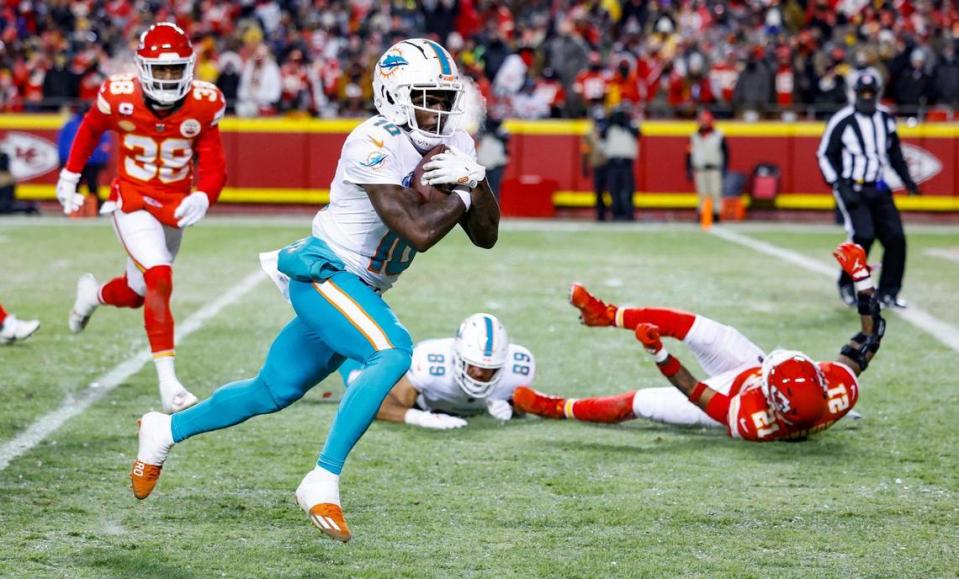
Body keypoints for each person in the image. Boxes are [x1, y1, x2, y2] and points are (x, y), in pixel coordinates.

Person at [129, 38, 500, 543]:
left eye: (442, 97)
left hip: (362, 286)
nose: (437, 108)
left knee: (271, 391)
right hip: (323, 271)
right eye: (426, 96)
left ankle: (164, 430)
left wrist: (478, 182)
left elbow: (486, 236)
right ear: (392, 93)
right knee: (392, 353)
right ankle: (322, 478)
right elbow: (418, 231)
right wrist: (464, 192)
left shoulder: (458, 144)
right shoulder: (372, 140)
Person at [515, 241, 883, 442]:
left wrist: (659, 353)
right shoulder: (839, 389)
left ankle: (554, 406)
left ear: (772, 402)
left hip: (724, 398)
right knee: (701, 328)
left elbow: (693, 391)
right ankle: (605, 314)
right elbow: (868, 338)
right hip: (749, 372)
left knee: (638, 403)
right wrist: (862, 279)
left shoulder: (750, 421)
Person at [56, 23, 227, 413]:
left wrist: (204, 194)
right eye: (160, 69)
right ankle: (169, 384)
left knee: (137, 293)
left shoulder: (203, 103)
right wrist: (69, 174)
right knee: (159, 277)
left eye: (174, 69)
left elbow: (216, 166)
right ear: (142, 67)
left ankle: (94, 294)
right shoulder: (119, 95)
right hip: (132, 199)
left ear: (189, 67)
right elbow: (89, 129)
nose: (167, 78)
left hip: (174, 205)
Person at [817, 72, 917, 309]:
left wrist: (907, 180)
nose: (867, 97)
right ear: (855, 94)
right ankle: (846, 284)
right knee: (862, 236)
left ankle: (889, 293)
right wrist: (839, 184)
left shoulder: (885, 118)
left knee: (896, 239)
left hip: (879, 187)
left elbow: (894, 153)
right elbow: (824, 155)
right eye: (863, 93)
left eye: (871, 93)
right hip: (853, 187)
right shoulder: (842, 120)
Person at [338, 313, 534, 429]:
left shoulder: (518, 368)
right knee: (358, 380)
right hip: (419, 398)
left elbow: (532, 404)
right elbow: (377, 405)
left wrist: (514, 407)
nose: (479, 373)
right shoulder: (430, 365)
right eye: (472, 364)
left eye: (488, 368)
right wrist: (420, 418)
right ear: (457, 357)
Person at [57, 103, 111, 210]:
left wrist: (64, 158)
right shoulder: (73, 124)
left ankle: (89, 208)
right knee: (82, 186)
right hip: (88, 160)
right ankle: (76, 208)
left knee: (90, 186)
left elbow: (64, 142)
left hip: (89, 160)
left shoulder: (72, 124)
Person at [686, 110, 728, 220]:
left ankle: (716, 214)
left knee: (715, 192)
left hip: (714, 168)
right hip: (700, 168)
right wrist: (688, 168)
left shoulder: (719, 135)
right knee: (702, 193)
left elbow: (726, 153)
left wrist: (724, 168)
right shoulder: (694, 136)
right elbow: (689, 153)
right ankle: (702, 214)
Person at [601, 106, 639, 221]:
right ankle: (616, 214)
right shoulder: (610, 128)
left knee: (628, 190)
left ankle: (628, 214)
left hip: (626, 163)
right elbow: (602, 133)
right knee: (614, 190)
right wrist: (610, 120)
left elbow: (637, 132)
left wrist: (626, 122)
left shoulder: (629, 127)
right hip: (612, 164)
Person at [581, 107, 608, 221]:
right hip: (597, 164)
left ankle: (614, 213)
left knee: (612, 191)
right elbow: (585, 150)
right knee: (598, 191)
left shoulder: (609, 130)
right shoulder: (589, 133)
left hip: (610, 165)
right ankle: (600, 214)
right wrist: (584, 166)